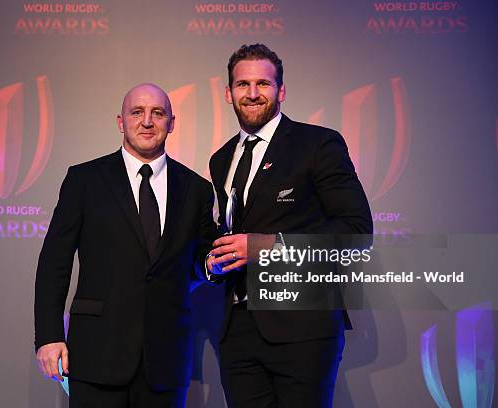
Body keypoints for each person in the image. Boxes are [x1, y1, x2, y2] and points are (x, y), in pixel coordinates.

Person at [206, 44, 372, 407]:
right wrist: (214, 263)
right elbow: (232, 232)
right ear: (227, 93)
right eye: (242, 84)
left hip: (303, 327)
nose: (252, 94)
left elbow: (356, 230)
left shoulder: (318, 144)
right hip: (236, 327)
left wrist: (270, 244)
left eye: (263, 84)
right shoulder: (221, 160)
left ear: (281, 91)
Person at [34, 83, 218, 408]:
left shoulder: (197, 190)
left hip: (165, 361)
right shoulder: (84, 181)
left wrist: (212, 265)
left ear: (171, 123)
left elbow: (200, 261)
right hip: (96, 356)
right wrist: (49, 337)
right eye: (137, 112)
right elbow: (54, 264)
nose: (147, 121)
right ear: (121, 121)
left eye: (157, 113)